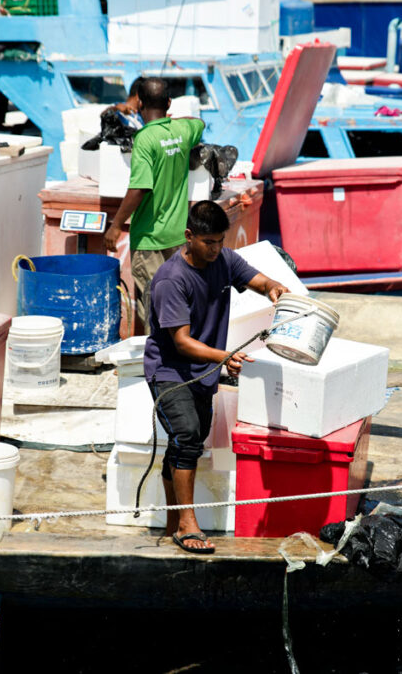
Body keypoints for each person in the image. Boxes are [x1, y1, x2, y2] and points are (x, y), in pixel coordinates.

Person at [145, 201, 288, 554]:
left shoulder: (223, 260)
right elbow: (181, 342)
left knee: (188, 441)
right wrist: (225, 358)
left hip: (204, 371)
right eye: (209, 242)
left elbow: (258, 280)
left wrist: (273, 287)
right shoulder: (170, 280)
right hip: (170, 370)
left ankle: (171, 521)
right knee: (187, 435)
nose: (216, 249)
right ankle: (187, 524)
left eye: (221, 241)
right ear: (189, 236)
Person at [103, 77, 205, 332]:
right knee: (178, 305)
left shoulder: (144, 140)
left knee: (154, 310)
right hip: (178, 237)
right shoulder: (182, 132)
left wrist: (116, 226)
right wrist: (173, 121)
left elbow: (140, 188)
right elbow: (199, 123)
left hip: (149, 240)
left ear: (139, 103)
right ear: (169, 103)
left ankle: (157, 369)